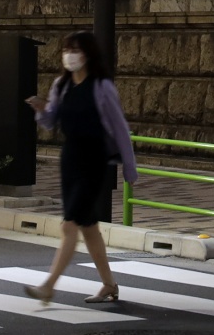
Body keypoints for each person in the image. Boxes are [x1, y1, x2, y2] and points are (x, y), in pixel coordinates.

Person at [22, 30, 137, 306]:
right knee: (88, 226)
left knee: (70, 223)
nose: (70, 55)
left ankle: (48, 286)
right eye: (67, 49)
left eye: (75, 49)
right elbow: (50, 121)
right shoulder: (61, 85)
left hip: (94, 159)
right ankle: (109, 285)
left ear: (87, 53)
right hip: (70, 157)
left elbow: (120, 127)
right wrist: (40, 108)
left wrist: (130, 168)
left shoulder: (101, 86)